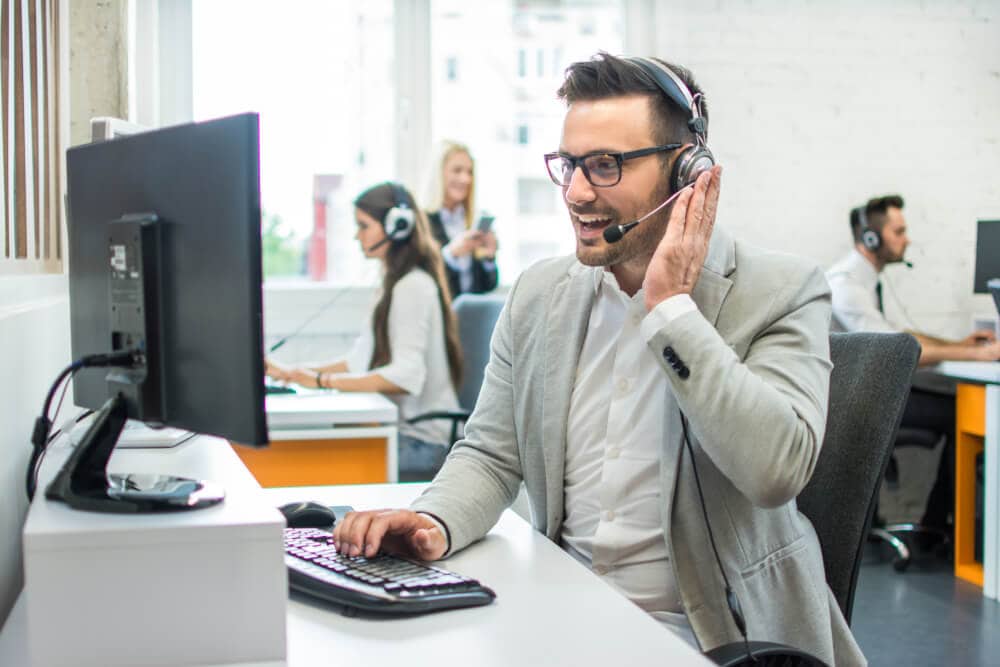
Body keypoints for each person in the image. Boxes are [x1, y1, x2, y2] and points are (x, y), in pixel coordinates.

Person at [334, 54, 864, 665]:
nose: (578, 192)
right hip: (556, 608)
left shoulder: (780, 290)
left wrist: (671, 311)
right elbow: (489, 454)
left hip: (710, 636)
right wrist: (431, 522)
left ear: (686, 173)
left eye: (606, 165)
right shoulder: (538, 296)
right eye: (569, 165)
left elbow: (777, 471)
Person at [265, 182, 463, 481]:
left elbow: (404, 375)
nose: (357, 236)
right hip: (404, 432)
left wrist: (322, 381)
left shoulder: (413, 286)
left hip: (424, 441)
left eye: (364, 226)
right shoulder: (394, 284)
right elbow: (359, 360)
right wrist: (293, 373)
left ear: (397, 226)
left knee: (319, 461)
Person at [827, 195, 1000, 534]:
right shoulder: (845, 286)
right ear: (871, 238)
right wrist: (976, 356)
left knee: (958, 408)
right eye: (899, 231)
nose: (906, 239)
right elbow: (894, 350)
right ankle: (942, 527)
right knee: (957, 413)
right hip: (857, 405)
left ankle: (938, 524)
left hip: (865, 395)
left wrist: (958, 344)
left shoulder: (862, 281)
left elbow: (897, 334)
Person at [423, 141, 499, 297]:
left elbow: (489, 285)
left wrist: (489, 257)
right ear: (439, 174)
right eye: (457, 171)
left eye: (469, 172)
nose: (466, 179)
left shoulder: (472, 220)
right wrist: (451, 254)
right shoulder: (423, 222)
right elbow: (424, 280)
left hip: (473, 316)